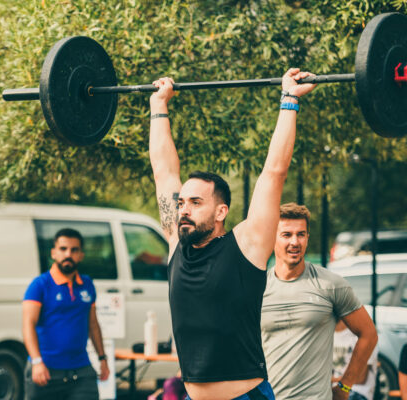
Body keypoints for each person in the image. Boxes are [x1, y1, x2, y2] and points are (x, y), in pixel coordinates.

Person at [149, 68, 317, 400]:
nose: (184, 209)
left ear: (221, 212)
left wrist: (289, 100)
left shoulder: (246, 245)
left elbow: (274, 172)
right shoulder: (176, 244)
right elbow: (163, 171)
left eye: (196, 203)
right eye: (181, 203)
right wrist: (159, 105)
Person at [261, 203, 378, 399]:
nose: (295, 242)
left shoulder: (330, 284)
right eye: (287, 235)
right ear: (273, 237)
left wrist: (345, 386)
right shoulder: (257, 288)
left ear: (307, 237)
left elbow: (369, 334)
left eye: (301, 234)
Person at [22, 228, 109, 400]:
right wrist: (37, 362)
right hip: (46, 371)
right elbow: (28, 325)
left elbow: (93, 324)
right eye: (63, 249)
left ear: (81, 255)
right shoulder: (39, 285)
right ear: (53, 253)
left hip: (81, 371)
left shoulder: (87, 284)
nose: (68, 254)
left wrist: (102, 358)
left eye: (74, 250)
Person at [332, 319, 379, 400]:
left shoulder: (363, 334)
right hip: (333, 389)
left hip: (355, 390)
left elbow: (360, 378)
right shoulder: (327, 334)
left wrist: (332, 380)